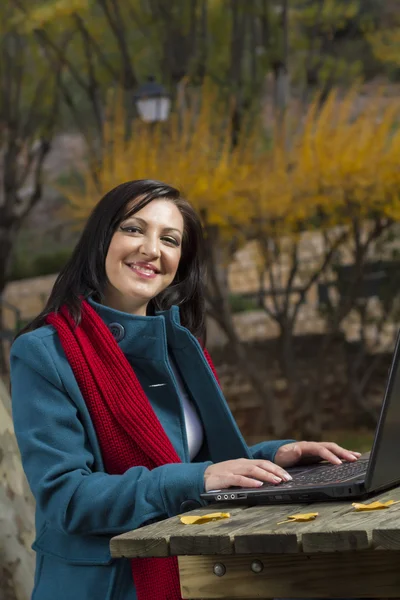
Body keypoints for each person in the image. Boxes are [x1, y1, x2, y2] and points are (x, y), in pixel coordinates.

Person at [10, 179, 361, 600]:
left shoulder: (179, 344)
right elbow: (68, 497)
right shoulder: (45, 353)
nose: (151, 250)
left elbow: (192, 464)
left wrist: (272, 456)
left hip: (198, 568)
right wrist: (199, 478)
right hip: (107, 584)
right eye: (134, 229)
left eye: (170, 239)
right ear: (101, 237)